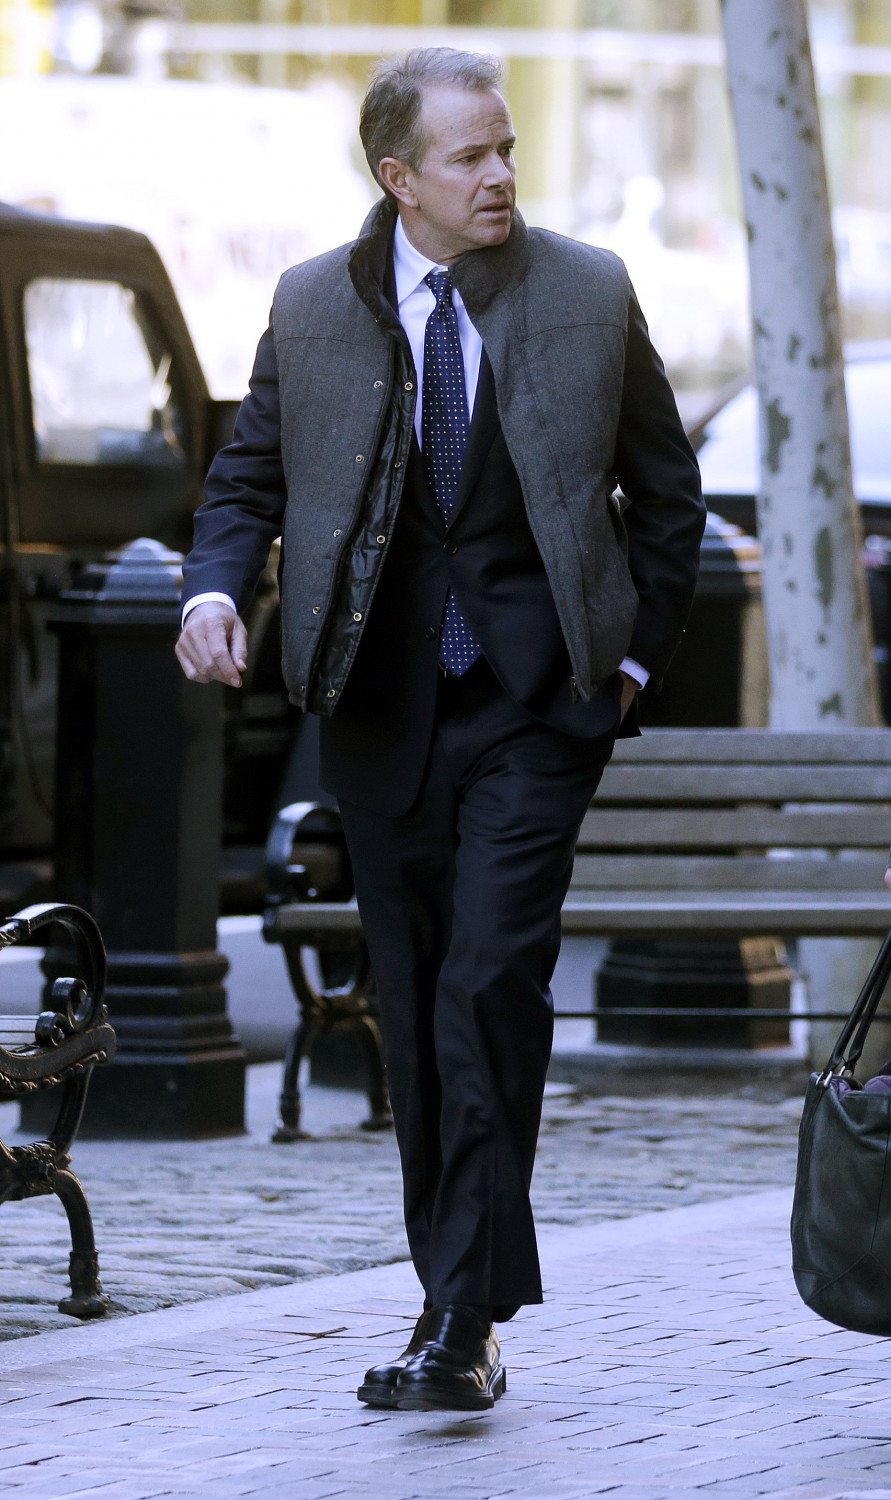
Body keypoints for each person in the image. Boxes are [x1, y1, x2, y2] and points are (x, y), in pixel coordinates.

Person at [176, 47, 706, 1414]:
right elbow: (245, 477)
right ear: (397, 176)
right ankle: (456, 1298)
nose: (501, 177)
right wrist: (216, 591)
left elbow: (668, 495)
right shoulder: (310, 304)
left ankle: (457, 1317)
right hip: (377, 708)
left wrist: (631, 666)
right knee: (418, 1013)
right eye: (471, 157)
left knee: (486, 986)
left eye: (510, 149)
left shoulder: (587, 288)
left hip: (538, 710)